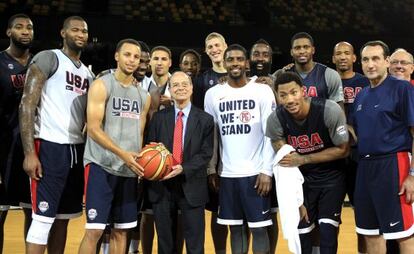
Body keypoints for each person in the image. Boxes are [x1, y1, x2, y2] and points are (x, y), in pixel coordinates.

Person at [19, 16, 93, 254]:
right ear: (63, 33)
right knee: (42, 217)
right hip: (49, 145)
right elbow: (27, 105)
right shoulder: (49, 58)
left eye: (84, 31)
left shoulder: (88, 74)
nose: (80, 34)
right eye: (75, 30)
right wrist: (30, 153)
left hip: (75, 149)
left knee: (63, 217)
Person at [78, 38, 150, 254]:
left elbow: (139, 133)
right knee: (94, 231)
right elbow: (93, 128)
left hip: (128, 171)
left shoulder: (144, 96)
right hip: (100, 165)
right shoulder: (102, 85)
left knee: (122, 231)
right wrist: (122, 154)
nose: (132, 60)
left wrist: (138, 161)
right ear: (117, 56)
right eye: (127, 55)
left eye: (136, 57)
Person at [266, 71, 349, 254]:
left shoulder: (329, 110)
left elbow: (343, 149)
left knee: (327, 233)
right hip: (302, 181)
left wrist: (304, 158)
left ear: (304, 91)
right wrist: (296, 200)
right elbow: (286, 162)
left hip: (331, 178)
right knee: (304, 235)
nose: (289, 100)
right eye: (283, 95)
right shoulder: (275, 120)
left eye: (293, 92)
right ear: (277, 97)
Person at [204, 44, 276, 254]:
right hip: (227, 174)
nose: (235, 63)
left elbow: (270, 133)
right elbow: (213, 136)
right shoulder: (213, 94)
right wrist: (212, 169)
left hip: (256, 173)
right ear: (224, 64)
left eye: (239, 59)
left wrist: (266, 171)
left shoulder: (262, 91)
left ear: (246, 63)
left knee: (259, 229)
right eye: (230, 60)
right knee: (235, 230)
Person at [352, 40, 414, 254]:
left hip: (394, 165)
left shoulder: (402, 88)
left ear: (387, 62)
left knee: (403, 235)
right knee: (370, 233)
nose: (370, 64)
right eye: (366, 59)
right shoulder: (361, 96)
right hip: (365, 167)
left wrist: (412, 175)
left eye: (376, 58)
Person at [146, 71, 214, 254]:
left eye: (185, 84)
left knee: (195, 244)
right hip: (162, 186)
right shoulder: (159, 118)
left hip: (191, 184)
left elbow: (206, 153)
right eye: (175, 85)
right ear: (170, 90)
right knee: (165, 244)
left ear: (191, 88)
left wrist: (183, 168)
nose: (180, 88)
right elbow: (150, 148)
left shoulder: (206, 120)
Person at [332, 41, 370, 254]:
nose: (343, 56)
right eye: (339, 54)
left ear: (354, 58)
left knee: (362, 215)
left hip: (360, 155)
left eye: (347, 53)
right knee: (331, 217)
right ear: (333, 58)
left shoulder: (365, 82)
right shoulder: (327, 82)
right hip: (334, 156)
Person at [0, 13, 33, 253]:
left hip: (31, 147)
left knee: (32, 212)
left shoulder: (41, 63)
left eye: (29, 28)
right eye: (19, 27)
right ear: (8, 32)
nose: (25, 31)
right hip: (2, 147)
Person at [249, 38, 279, 254]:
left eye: (265, 54)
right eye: (256, 54)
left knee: (272, 213)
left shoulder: (280, 80)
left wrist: (275, 90)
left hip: (275, 159)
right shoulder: (244, 81)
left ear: (271, 58)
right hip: (249, 162)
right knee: (251, 217)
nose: (260, 58)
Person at [276, 32, 344, 108]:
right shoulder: (283, 75)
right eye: (297, 48)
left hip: (321, 119)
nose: (302, 51)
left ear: (313, 50)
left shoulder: (330, 75)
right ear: (291, 52)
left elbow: (339, 110)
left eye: (306, 47)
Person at [193, 32, 227, 109]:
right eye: (210, 47)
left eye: (217, 45)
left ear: (225, 46)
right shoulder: (201, 80)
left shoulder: (238, 76)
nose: (214, 50)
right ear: (206, 51)